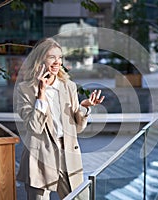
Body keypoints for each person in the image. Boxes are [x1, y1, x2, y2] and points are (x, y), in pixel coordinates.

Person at [15, 38, 104, 200]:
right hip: (39, 156)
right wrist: (41, 93)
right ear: (40, 59)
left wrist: (84, 106)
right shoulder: (25, 90)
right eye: (51, 57)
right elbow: (34, 127)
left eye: (60, 57)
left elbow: (77, 129)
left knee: (80, 198)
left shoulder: (68, 86)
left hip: (68, 153)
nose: (57, 62)